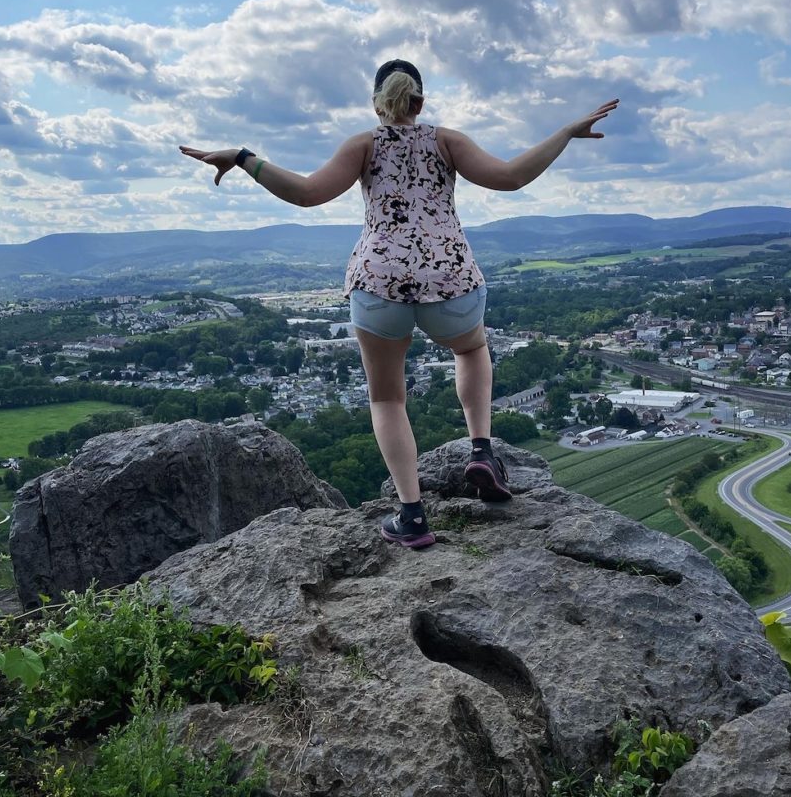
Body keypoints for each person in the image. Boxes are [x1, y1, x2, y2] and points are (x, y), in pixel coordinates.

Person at [180, 60, 617, 550]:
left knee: (387, 397)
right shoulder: (446, 140)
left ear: (376, 104)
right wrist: (564, 132)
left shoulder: (363, 144)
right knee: (471, 351)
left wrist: (242, 157)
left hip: (378, 284)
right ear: (420, 103)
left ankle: (412, 517)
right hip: (449, 280)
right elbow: (511, 177)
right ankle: (481, 450)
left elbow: (306, 195)